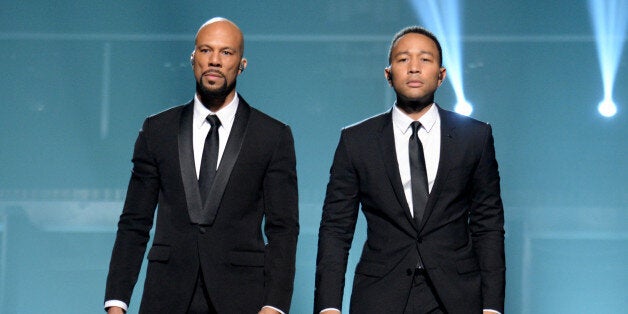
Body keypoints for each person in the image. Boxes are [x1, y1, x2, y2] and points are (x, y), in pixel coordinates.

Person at [104, 17, 299, 314]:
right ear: (193, 58)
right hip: (165, 296)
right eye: (206, 50)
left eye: (226, 52)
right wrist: (117, 301)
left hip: (243, 299)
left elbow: (283, 228)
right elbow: (134, 221)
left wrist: (274, 305)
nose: (215, 61)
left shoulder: (271, 135)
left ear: (242, 63)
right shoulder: (158, 130)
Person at [313, 26, 505, 314]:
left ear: (441, 75)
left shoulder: (474, 138)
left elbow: (488, 224)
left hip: (457, 296)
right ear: (388, 74)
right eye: (403, 59)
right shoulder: (357, 140)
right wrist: (328, 306)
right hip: (380, 295)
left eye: (425, 59)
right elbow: (336, 229)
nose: (414, 68)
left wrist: (492, 306)